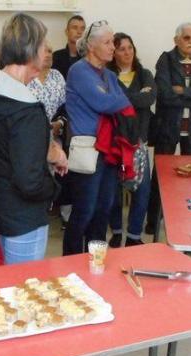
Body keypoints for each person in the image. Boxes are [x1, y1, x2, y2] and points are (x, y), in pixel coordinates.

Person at [0, 12, 66, 356]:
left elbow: (6, 156)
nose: (48, 52)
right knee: (24, 293)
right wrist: (54, 187)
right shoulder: (27, 111)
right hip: (23, 213)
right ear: (30, 50)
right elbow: (30, 181)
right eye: (44, 45)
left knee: (4, 287)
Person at [62, 20, 131, 256]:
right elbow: (107, 102)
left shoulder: (109, 75)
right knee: (84, 211)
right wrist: (115, 99)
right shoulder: (79, 71)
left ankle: (95, 261)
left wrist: (116, 99)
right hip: (87, 150)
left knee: (103, 210)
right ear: (91, 46)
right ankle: (70, 262)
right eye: (108, 42)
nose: (113, 47)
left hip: (109, 150)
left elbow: (122, 102)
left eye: (113, 42)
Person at [145, 22, 191, 235]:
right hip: (168, 126)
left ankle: (187, 221)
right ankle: (152, 221)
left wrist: (183, 90)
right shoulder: (166, 60)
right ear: (176, 40)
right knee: (159, 175)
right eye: (187, 38)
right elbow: (165, 95)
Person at [107, 32, 156, 247]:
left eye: (130, 48)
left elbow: (149, 98)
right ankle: (117, 231)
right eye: (121, 48)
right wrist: (136, 99)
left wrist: (124, 99)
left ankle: (134, 235)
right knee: (114, 189)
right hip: (116, 141)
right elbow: (111, 103)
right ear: (114, 53)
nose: (127, 52)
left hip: (139, 141)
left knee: (142, 189)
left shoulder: (144, 74)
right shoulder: (108, 75)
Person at [52, 15, 85, 79]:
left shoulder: (89, 57)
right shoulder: (55, 57)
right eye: (75, 28)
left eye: (82, 29)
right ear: (67, 32)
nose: (79, 32)